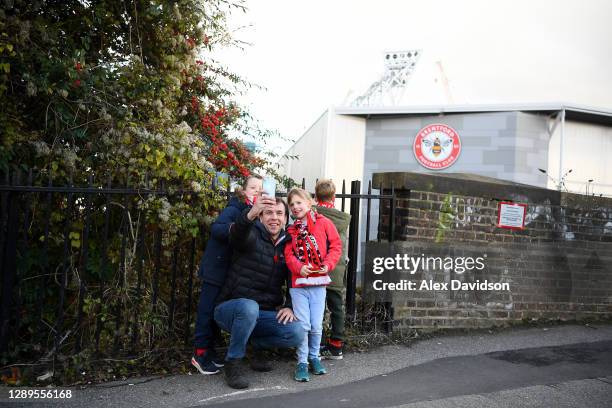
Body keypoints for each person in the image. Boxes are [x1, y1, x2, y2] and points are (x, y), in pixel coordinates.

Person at [214, 195, 304, 389]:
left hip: (262, 314)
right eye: (269, 213)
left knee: (296, 332)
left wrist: (289, 305)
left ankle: (256, 344)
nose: (274, 217)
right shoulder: (251, 234)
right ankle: (233, 362)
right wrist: (251, 213)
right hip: (231, 309)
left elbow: (294, 280)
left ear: (286, 219)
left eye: (280, 213)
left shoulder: (288, 245)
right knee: (249, 307)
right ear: (261, 218)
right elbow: (237, 233)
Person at [191, 175, 263, 375]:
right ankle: (200, 354)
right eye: (253, 187)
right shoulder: (236, 208)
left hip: (226, 271)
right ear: (244, 190)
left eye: (260, 188)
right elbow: (217, 229)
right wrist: (240, 224)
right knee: (206, 312)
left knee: (214, 313)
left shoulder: (254, 212)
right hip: (216, 267)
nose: (256, 191)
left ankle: (210, 352)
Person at [284, 188, 342, 382]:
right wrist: (299, 267)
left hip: (318, 283)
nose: (295, 207)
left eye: (299, 202)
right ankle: (302, 362)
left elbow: (336, 246)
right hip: (298, 284)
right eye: (292, 204)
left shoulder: (325, 223)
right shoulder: (291, 231)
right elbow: (289, 255)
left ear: (310, 203)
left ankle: (314, 357)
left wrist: (328, 264)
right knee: (304, 325)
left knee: (316, 325)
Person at [314, 179, 351, 360]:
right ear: (334, 196)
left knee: (318, 309)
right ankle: (336, 346)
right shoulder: (342, 219)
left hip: (317, 270)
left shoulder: (313, 215)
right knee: (336, 307)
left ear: (315, 196)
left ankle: (317, 344)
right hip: (336, 269)